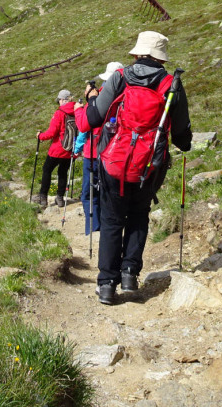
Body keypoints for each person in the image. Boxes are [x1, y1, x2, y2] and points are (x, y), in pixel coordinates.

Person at [82, 32, 191, 305]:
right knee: (139, 216)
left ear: (138, 53)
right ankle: (130, 273)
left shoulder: (120, 77)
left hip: (115, 162)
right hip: (149, 166)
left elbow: (94, 118)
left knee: (111, 221)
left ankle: (107, 284)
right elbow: (181, 136)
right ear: (160, 57)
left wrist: (92, 99)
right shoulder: (171, 83)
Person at [74, 62, 123, 235]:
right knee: (108, 192)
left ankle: (94, 229)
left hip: (94, 153)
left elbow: (83, 125)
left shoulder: (98, 98)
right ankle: (110, 228)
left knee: (89, 193)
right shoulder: (125, 96)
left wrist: (79, 109)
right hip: (116, 154)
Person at [33, 89, 76, 208]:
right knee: (63, 172)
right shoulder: (78, 110)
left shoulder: (60, 113)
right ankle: (60, 198)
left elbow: (52, 132)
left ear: (63, 100)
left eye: (59, 100)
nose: (59, 102)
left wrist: (40, 136)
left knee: (47, 169)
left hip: (58, 148)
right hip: (70, 149)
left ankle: (43, 198)